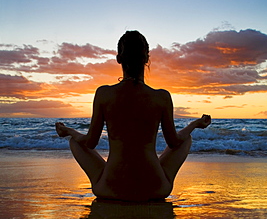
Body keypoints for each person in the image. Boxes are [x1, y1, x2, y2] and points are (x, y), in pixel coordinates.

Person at [55, 31, 211, 201]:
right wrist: (195, 124)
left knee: (75, 142)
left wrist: (69, 131)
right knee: (186, 138)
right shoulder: (161, 97)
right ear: (146, 58)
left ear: (119, 58)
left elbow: (90, 143)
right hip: (155, 188)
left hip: (110, 188)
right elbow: (174, 142)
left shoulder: (104, 94)